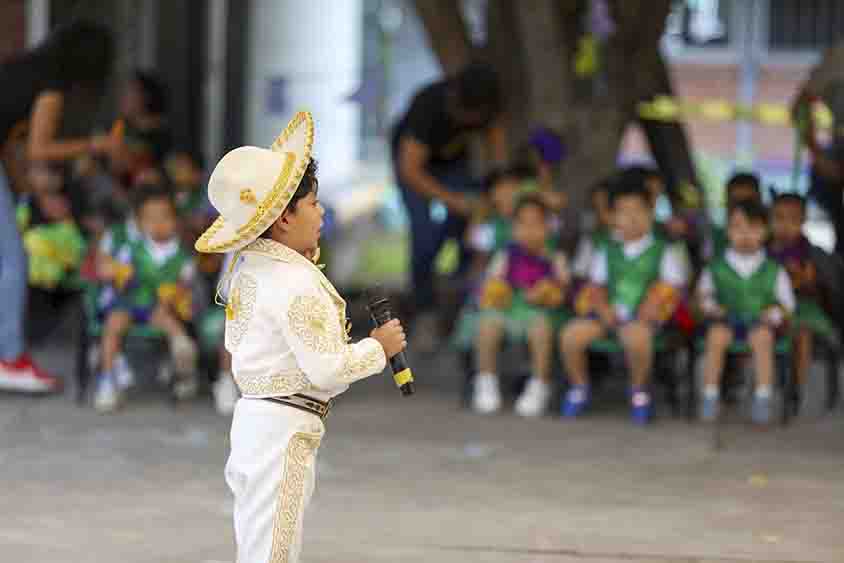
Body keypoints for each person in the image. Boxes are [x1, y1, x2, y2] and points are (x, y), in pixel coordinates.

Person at [196, 112, 406, 563]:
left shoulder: (248, 269)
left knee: (259, 543)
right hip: (283, 427)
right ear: (284, 219)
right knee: (274, 550)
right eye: (312, 203)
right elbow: (328, 370)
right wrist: (379, 347)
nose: (322, 211)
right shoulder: (296, 283)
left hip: (255, 419)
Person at [0, 21, 115, 392]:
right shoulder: (49, 89)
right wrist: (94, 145)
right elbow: (39, 149)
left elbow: (13, 145)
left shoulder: (21, 72)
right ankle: (10, 358)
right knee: (11, 260)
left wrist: (19, 186)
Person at [391, 62, 507, 348]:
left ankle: (462, 303)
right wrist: (453, 201)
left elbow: (496, 144)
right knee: (424, 234)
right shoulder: (428, 107)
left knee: (470, 226)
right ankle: (425, 311)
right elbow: (411, 170)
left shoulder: (485, 106)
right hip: (414, 165)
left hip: (453, 162)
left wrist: (496, 187)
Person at [561, 171, 689, 424]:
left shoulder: (662, 250)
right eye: (623, 212)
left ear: (651, 213)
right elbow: (595, 286)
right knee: (571, 335)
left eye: (637, 211)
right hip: (607, 315)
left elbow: (670, 287)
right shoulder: (607, 248)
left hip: (642, 318)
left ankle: (638, 390)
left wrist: (648, 309)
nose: (630, 219)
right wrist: (604, 310)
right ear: (612, 217)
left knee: (638, 339)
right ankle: (579, 387)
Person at [94, 185, 197, 412]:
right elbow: (109, 270)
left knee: (169, 323)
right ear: (140, 224)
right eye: (151, 219)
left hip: (158, 307)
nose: (158, 224)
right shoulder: (132, 248)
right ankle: (107, 379)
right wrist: (114, 271)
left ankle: (183, 362)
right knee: (114, 325)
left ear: (176, 222)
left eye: (165, 218)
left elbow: (183, 284)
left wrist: (172, 299)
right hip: (128, 302)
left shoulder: (182, 254)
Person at [696, 200, 795, 425]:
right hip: (726, 322)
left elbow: (787, 304)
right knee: (716, 337)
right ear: (728, 231)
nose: (745, 234)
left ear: (765, 232)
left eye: (753, 228)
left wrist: (773, 313)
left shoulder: (774, 269)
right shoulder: (716, 266)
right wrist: (712, 307)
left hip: (759, 325)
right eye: (738, 227)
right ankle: (710, 394)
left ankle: (763, 396)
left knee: (763, 339)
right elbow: (703, 296)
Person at [471, 195, 569, 417]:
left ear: (548, 227)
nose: (529, 230)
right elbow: (491, 284)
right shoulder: (506, 254)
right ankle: (486, 380)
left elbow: (563, 289)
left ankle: (539, 384)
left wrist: (548, 290)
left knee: (540, 328)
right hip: (509, 310)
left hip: (542, 313)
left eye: (536, 224)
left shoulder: (555, 256)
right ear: (513, 228)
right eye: (522, 224)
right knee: (488, 323)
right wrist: (497, 291)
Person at [767, 193, 839, 396]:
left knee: (803, 335)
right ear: (769, 219)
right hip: (770, 306)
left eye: (793, 220)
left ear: (803, 222)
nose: (785, 226)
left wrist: (799, 277)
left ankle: (797, 385)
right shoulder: (762, 249)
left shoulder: (808, 251)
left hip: (802, 307)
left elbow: (813, 283)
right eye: (779, 218)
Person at [113, 69, 173, 186]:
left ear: (145, 97)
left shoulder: (158, 131)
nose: (122, 98)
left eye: (128, 93)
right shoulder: (123, 127)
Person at [706, 172, 762, 259]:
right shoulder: (717, 237)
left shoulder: (774, 240)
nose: (741, 210)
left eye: (748, 203)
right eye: (736, 202)